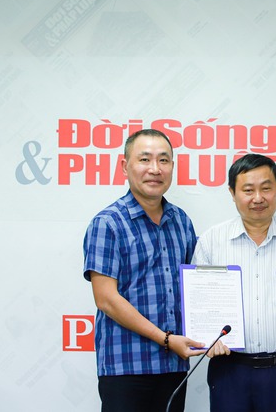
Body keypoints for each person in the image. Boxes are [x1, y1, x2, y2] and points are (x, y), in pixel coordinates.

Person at [83, 129, 206, 412]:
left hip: (173, 366)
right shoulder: (108, 223)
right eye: (145, 159)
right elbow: (106, 299)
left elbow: (194, 287)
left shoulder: (181, 221)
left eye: (163, 160)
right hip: (126, 367)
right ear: (125, 166)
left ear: (172, 166)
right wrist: (165, 339)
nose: (155, 169)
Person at [192, 153, 276, 412]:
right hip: (229, 370)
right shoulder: (211, 241)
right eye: (248, 190)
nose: (258, 198)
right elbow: (200, 305)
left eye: (266, 188)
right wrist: (207, 338)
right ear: (232, 193)